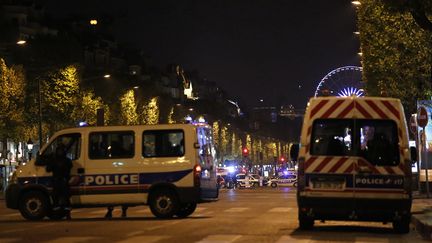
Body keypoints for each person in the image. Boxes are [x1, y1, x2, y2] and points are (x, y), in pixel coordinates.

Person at [47, 144, 73, 219]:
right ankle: (58, 214)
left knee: (65, 198)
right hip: (58, 181)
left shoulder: (66, 161)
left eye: (61, 151)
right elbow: (48, 169)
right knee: (56, 198)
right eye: (59, 151)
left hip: (63, 181)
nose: (60, 152)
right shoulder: (62, 160)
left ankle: (67, 214)